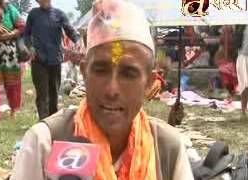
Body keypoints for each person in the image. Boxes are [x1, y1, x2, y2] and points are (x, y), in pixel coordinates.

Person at [10, 0, 194, 179]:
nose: (112, 90)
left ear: (149, 83)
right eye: (100, 70)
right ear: (84, 74)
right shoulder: (46, 141)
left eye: (129, 74)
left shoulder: (167, 147)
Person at [24, 0, 80, 120]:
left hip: (55, 59)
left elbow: (70, 30)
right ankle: (43, 121)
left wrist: (77, 41)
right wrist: (30, 47)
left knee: (54, 92)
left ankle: (53, 120)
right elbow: (26, 35)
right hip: (38, 59)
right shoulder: (33, 14)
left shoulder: (59, 14)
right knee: (42, 93)